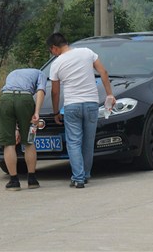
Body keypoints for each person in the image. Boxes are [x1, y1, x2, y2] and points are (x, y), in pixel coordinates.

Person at [46, 32, 115, 189]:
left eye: (51, 51)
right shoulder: (87, 52)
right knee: (88, 142)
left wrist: (56, 112)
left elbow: (55, 92)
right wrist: (110, 94)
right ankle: (85, 174)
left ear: (54, 48)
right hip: (91, 103)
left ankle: (78, 178)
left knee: (74, 142)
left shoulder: (56, 64)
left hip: (72, 106)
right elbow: (103, 72)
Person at [0, 68, 47, 191]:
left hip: (5, 99)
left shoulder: (11, 73)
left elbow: (11, 95)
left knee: (9, 143)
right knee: (29, 141)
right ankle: (32, 179)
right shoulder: (40, 73)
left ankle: (14, 181)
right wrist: (36, 113)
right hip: (25, 100)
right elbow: (41, 91)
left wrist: (15, 129)